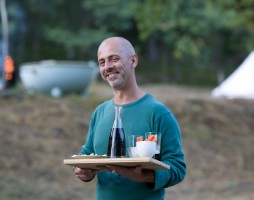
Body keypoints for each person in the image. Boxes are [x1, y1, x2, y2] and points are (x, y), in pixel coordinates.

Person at [73, 37, 186, 200]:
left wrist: (145, 177)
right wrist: (83, 172)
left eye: (114, 59)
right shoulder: (99, 112)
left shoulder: (158, 113)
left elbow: (177, 168)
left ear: (133, 61)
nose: (108, 67)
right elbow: (87, 154)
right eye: (102, 62)